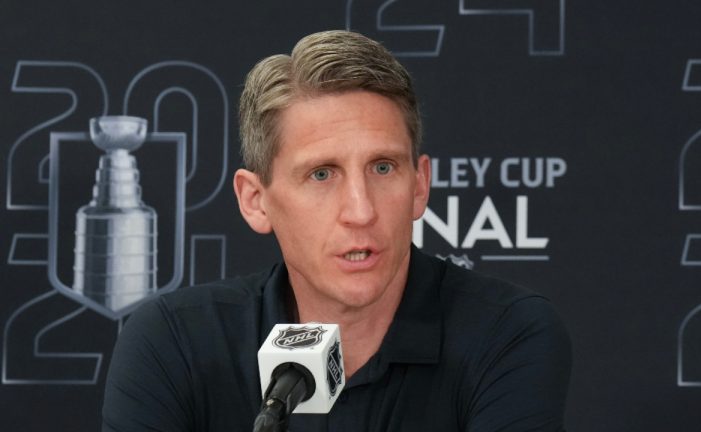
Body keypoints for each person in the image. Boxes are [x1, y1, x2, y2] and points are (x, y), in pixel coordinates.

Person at [102, 30, 571, 432]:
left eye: (383, 167)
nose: (361, 211)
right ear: (255, 201)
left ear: (419, 186)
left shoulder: (506, 332)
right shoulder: (173, 343)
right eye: (322, 174)